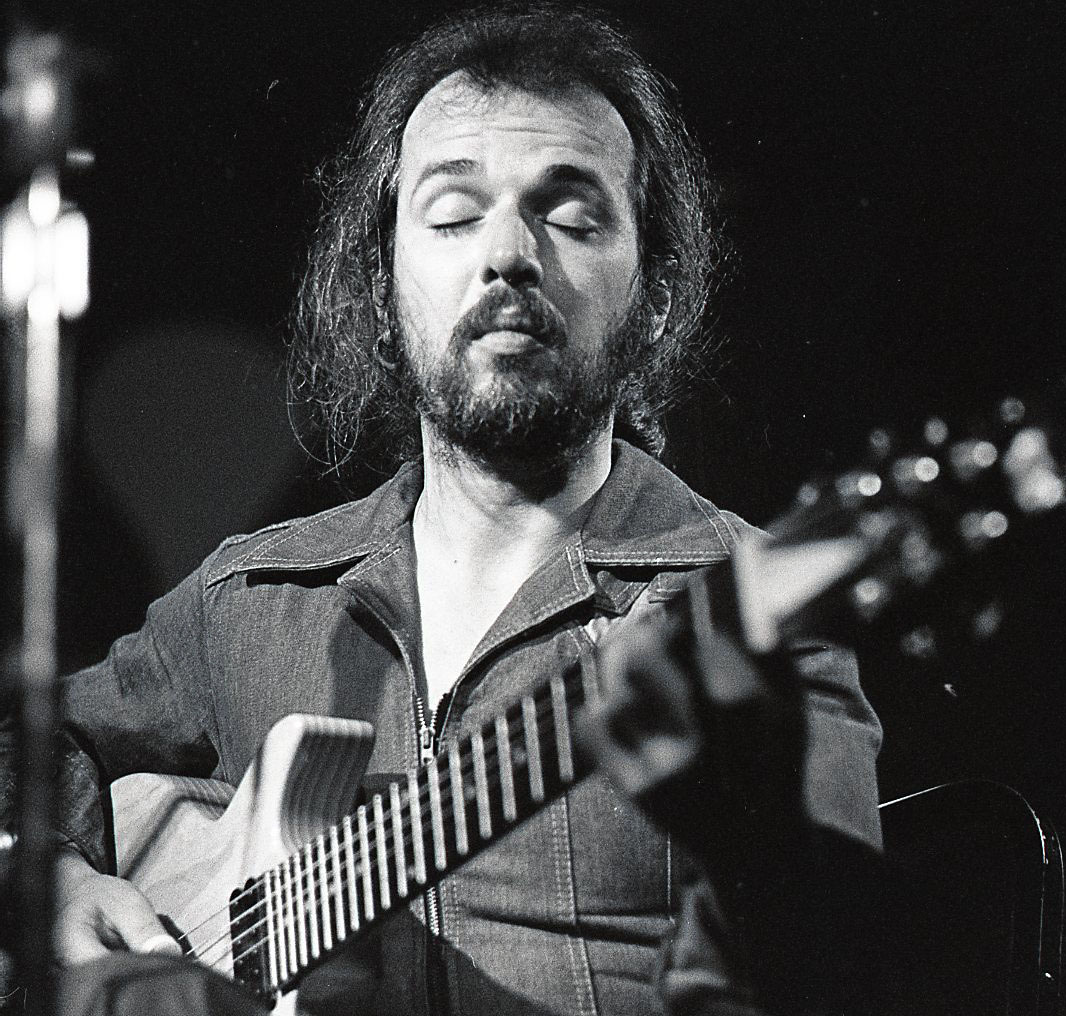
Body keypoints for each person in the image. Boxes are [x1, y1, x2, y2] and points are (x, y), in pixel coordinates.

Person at [11, 4, 884, 1014]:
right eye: (455, 214)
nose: (508, 253)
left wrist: (752, 836)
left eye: (572, 216)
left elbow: (833, 979)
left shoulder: (753, 613)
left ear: (653, 295)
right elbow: (27, 751)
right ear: (383, 289)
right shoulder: (253, 599)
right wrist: (49, 875)